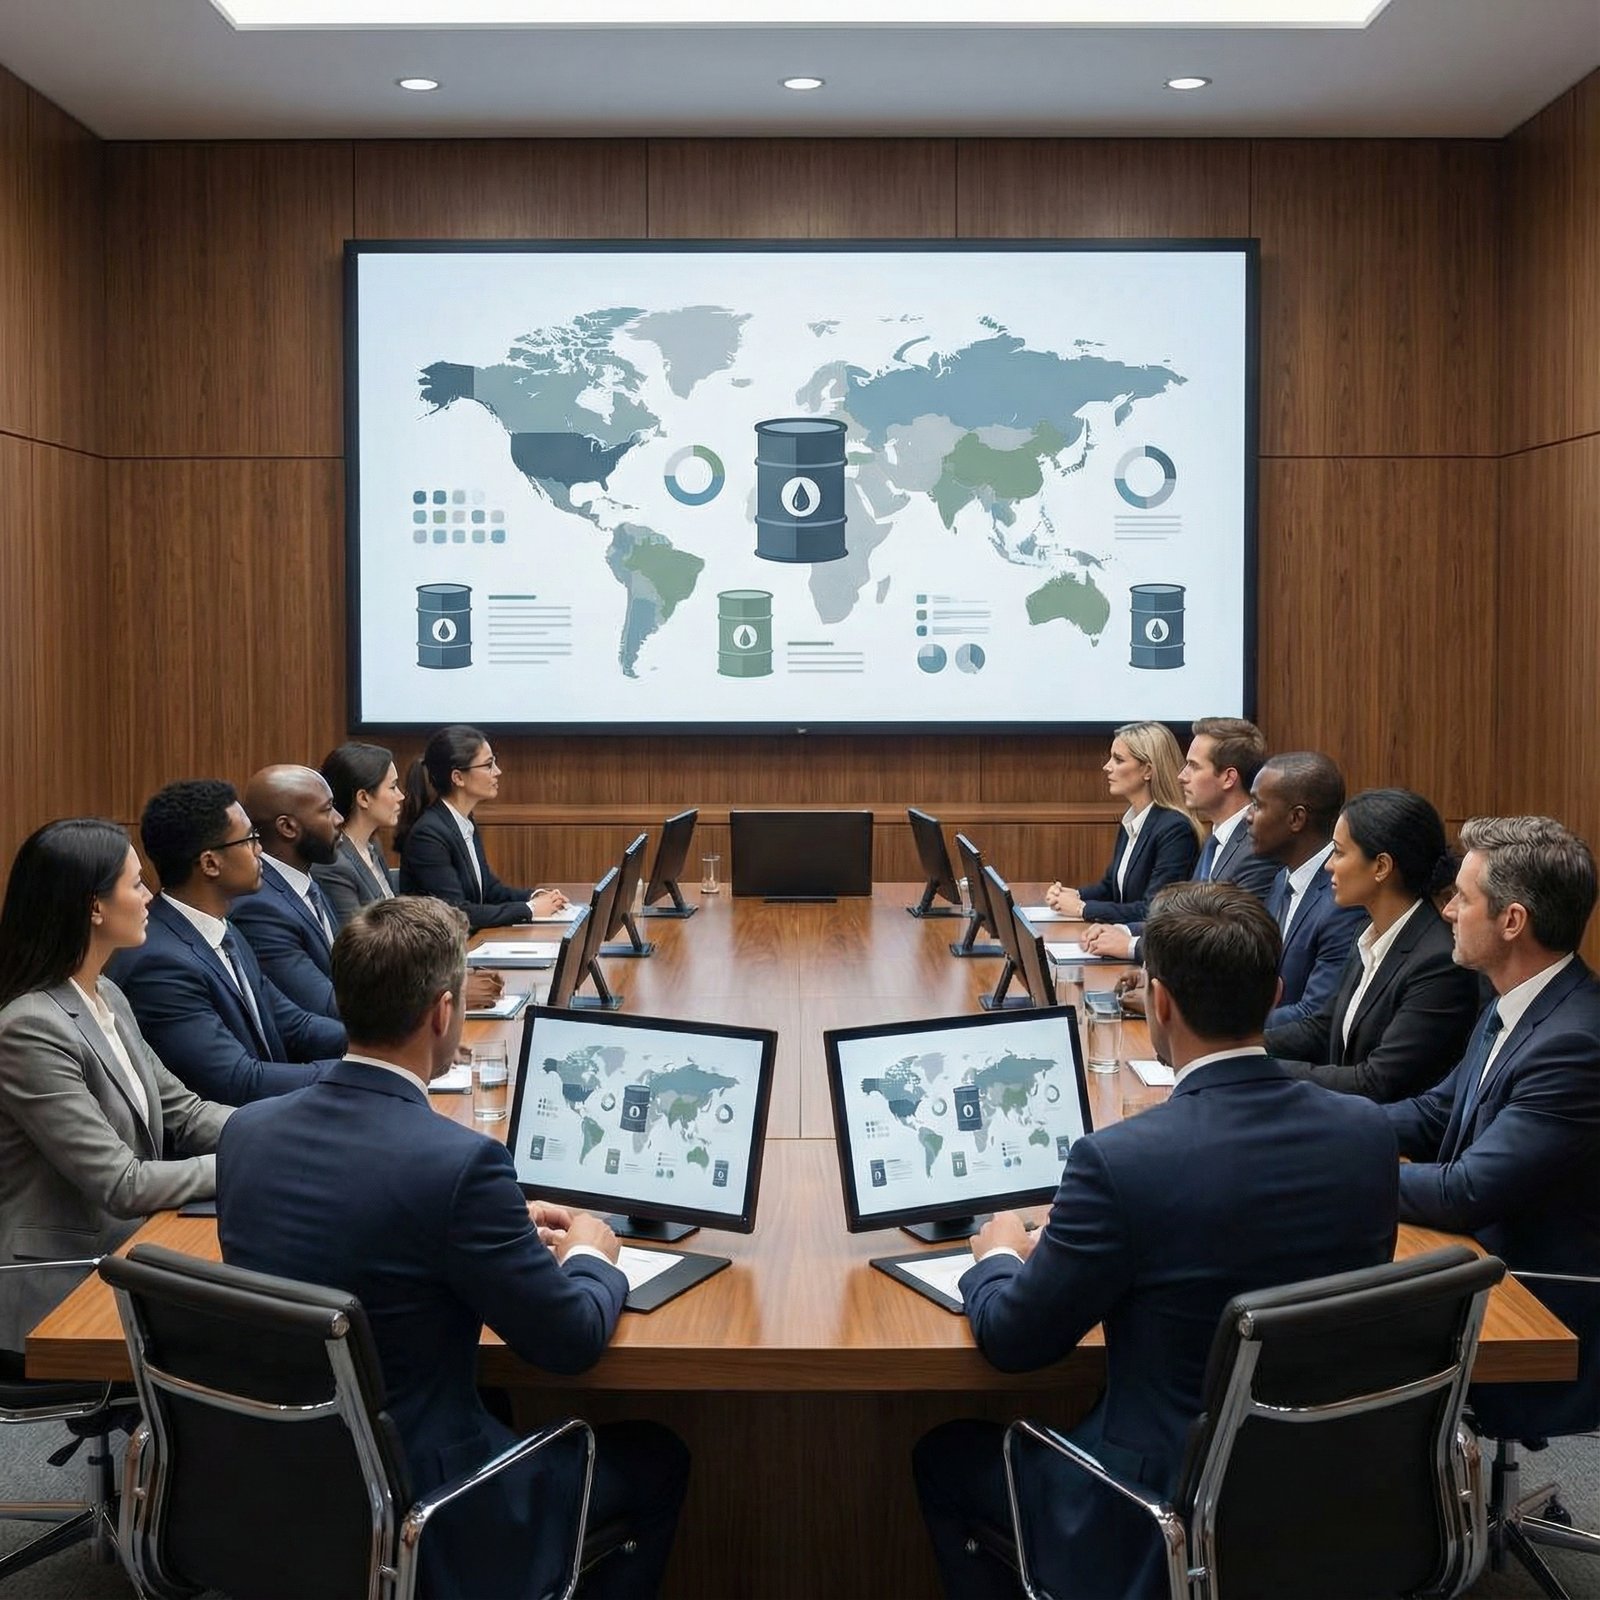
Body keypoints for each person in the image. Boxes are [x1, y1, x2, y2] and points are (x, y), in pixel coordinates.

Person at [913, 882, 1398, 1600]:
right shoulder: (1367, 1133)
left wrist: (999, 1258)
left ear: (1159, 1003)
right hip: (1329, 1481)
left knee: (944, 1454)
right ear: (1275, 994)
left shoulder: (1120, 1164)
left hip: (1161, 1507)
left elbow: (1016, 1343)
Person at [217, 896, 688, 1600]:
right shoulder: (460, 1166)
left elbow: (361, 1223)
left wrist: (488, 1227)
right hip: (422, 1497)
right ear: (444, 1012)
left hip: (283, 1478)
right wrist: (592, 1253)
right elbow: (568, 1341)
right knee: (660, 1458)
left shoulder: (247, 1131)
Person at [1385, 816, 1600, 1439]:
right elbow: (1432, 1115)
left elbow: (1465, 1191)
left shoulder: (1574, 1043)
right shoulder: (1517, 1001)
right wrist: (1313, 1124)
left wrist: (1335, 1166)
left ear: (1511, 921)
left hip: (1543, 1299)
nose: (1447, 911)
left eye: (1463, 897)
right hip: (1483, 1257)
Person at [0, 819, 230, 1362]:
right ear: (94, 907)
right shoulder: (30, 1028)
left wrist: (292, 1128)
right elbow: (122, 1183)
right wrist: (259, 1155)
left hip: (130, 1250)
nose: (150, 895)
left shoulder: (106, 995)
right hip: (62, 1285)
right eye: (134, 884)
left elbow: (187, 1112)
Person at [108, 780, 346, 1105]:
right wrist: (357, 1074)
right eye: (250, 840)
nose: (260, 850)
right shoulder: (160, 964)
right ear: (210, 863)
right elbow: (237, 1079)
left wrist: (385, 1045)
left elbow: (293, 1024)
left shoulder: (225, 930)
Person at [1266, 787, 1480, 1101]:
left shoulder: (1438, 962)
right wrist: (1239, 1047)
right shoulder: (1367, 932)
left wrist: (1261, 1070)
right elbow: (1323, 1027)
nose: (1328, 865)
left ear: (1381, 867)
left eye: (1338, 852)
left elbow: (1377, 1080)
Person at [1082, 716, 1276, 959]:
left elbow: (1223, 946)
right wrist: (1122, 929)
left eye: (1193, 766)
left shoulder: (1254, 849)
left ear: (1228, 778)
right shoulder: (1216, 840)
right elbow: (1183, 919)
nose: (1181, 776)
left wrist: (1132, 947)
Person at [396, 725, 569, 930]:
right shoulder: (428, 835)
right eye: (488, 765)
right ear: (458, 777)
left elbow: (489, 891)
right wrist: (529, 909)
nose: (498, 772)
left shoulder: (464, 820)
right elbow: (457, 913)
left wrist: (536, 897)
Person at [1248, 752, 1368, 1031]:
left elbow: (1316, 1014)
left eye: (1257, 805)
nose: (1248, 816)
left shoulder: (1343, 900)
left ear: (1296, 818)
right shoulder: (1283, 879)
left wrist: (1217, 1025)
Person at [1044, 721, 1200, 925]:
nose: (1106, 767)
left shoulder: (1175, 829)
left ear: (1147, 770)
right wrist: (1072, 894)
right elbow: (1111, 887)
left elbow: (1154, 910)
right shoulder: (1134, 818)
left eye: (1118, 760)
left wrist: (1082, 908)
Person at [230, 765, 346, 1019]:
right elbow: (323, 1004)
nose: (339, 819)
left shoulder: (305, 882)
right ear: (288, 827)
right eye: (327, 810)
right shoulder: (259, 907)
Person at [314, 741, 402, 928]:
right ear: (363, 798)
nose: (401, 796)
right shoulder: (334, 864)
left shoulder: (372, 844)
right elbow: (358, 942)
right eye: (393, 787)